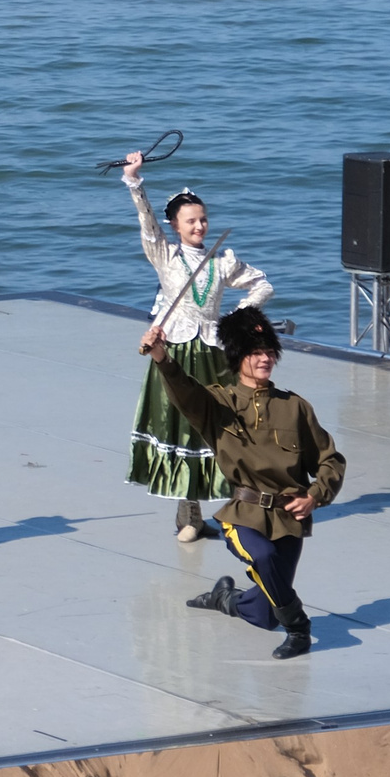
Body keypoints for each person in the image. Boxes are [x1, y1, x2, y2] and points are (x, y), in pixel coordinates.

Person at [150, 306, 344, 660]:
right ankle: (299, 629)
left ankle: (226, 598)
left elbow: (330, 460)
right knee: (265, 557)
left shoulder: (296, 407)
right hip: (243, 514)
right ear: (239, 357)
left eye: (269, 352)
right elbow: (185, 391)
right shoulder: (219, 404)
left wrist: (315, 496)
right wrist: (162, 357)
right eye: (256, 353)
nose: (264, 359)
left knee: (265, 611)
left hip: (289, 517)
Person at [119, 152, 274, 542]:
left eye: (203, 219)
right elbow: (147, 226)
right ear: (176, 225)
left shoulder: (221, 262)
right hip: (176, 354)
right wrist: (135, 182)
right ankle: (189, 514)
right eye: (191, 221)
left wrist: (235, 318)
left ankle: (233, 508)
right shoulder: (165, 255)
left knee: (221, 430)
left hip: (214, 354)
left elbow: (263, 285)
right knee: (183, 430)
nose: (200, 226)